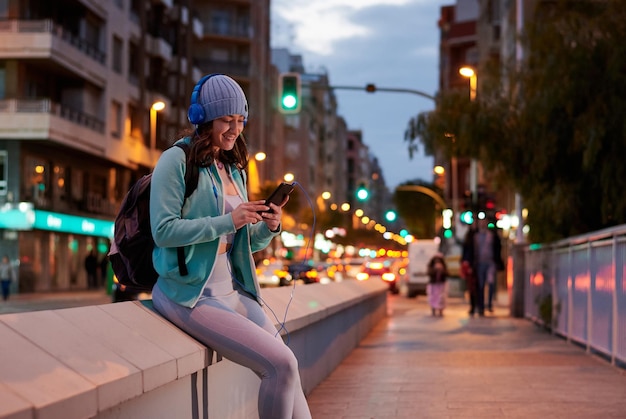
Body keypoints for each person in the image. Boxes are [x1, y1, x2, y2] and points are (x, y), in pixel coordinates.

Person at [149, 74, 311, 419]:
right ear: (202, 117)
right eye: (227, 120)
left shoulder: (233, 167)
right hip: (188, 294)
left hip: (231, 290)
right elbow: (163, 231)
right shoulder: (175, 162)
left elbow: (240, 242)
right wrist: (229, 220)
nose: (235, 129)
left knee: (289, 365)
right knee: (279, 365)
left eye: (240, 121)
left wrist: (269, 227)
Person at [462, 217, 504, 315]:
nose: (483, 224)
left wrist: (498, 261)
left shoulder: (492, 235)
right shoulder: (474, 235)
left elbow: (498, 248)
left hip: (490, 262)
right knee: (480, 285)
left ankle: (489, 304)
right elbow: (468, 249)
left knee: (491, 282)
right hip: (479, 263)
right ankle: (481, 307)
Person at [461, 227, 478, 316]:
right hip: (470, 266)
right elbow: (465, 252)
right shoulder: (468, 237)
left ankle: (478, 306)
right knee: (472, 287)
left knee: (477, 287)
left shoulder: (478, 235)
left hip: (478, 264)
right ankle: (474, 306)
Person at [427, 252, 448, 317]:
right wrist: (435, 270)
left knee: (441, 297)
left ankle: (440, 310)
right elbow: (429, 273)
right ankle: (433, 309)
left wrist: (441, 270)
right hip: (433, 284)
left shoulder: (443, 266)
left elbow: (447, 274)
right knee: (433, 297)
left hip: (441, 284)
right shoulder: (431, 266)